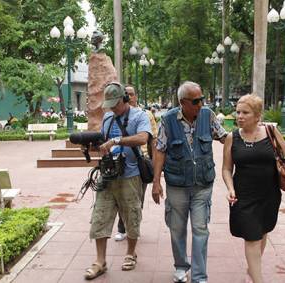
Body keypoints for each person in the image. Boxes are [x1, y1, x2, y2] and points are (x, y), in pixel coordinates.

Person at [221, 94, 285, 283]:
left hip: (269, 195)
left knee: (262, 232)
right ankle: (257, 279)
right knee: (251, 237)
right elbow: (227, 169)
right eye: (238, 112)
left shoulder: (271, 132)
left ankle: (252, 271)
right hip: (243, 195)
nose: (240, 116)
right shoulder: (232, 137)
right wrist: (230, 188)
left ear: (257, 115)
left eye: (245, 112)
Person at [152, 81, 227, 283]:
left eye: (202, 99)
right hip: (177, 185)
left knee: (200, 228)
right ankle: (181, 266)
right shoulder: (168, 120)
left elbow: (225, 138)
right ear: (183, 102)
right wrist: (156, 181)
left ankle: (199, 276)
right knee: (177, 228)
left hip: (203, 184)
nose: (201, 104)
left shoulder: (208, 115)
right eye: (196, 101)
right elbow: (159, 149)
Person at [84, 82, 152, 280]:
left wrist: (116, 141)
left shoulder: (139, 116)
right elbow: (104, 139)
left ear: (125, 98)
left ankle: (130, 253)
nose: (113, 108)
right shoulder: (107, 117)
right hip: (108, 174)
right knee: (100, 215)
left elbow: (142, 138)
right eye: (110, 104)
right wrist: (93, 145)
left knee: (131, 215)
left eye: (116, 103)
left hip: (130, 175)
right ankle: (100, 261)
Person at [113, 85, 158, 241]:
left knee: (138, 198)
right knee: (119, 198)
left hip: (141, 162)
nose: (130, 97)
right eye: (127, 94)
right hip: (120, 161)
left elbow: (153, 140)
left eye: (132, 94)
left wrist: (154, 163)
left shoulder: (146, 115)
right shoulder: (114, 116)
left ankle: (132, 227)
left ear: (136, 96)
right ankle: (122, 227)